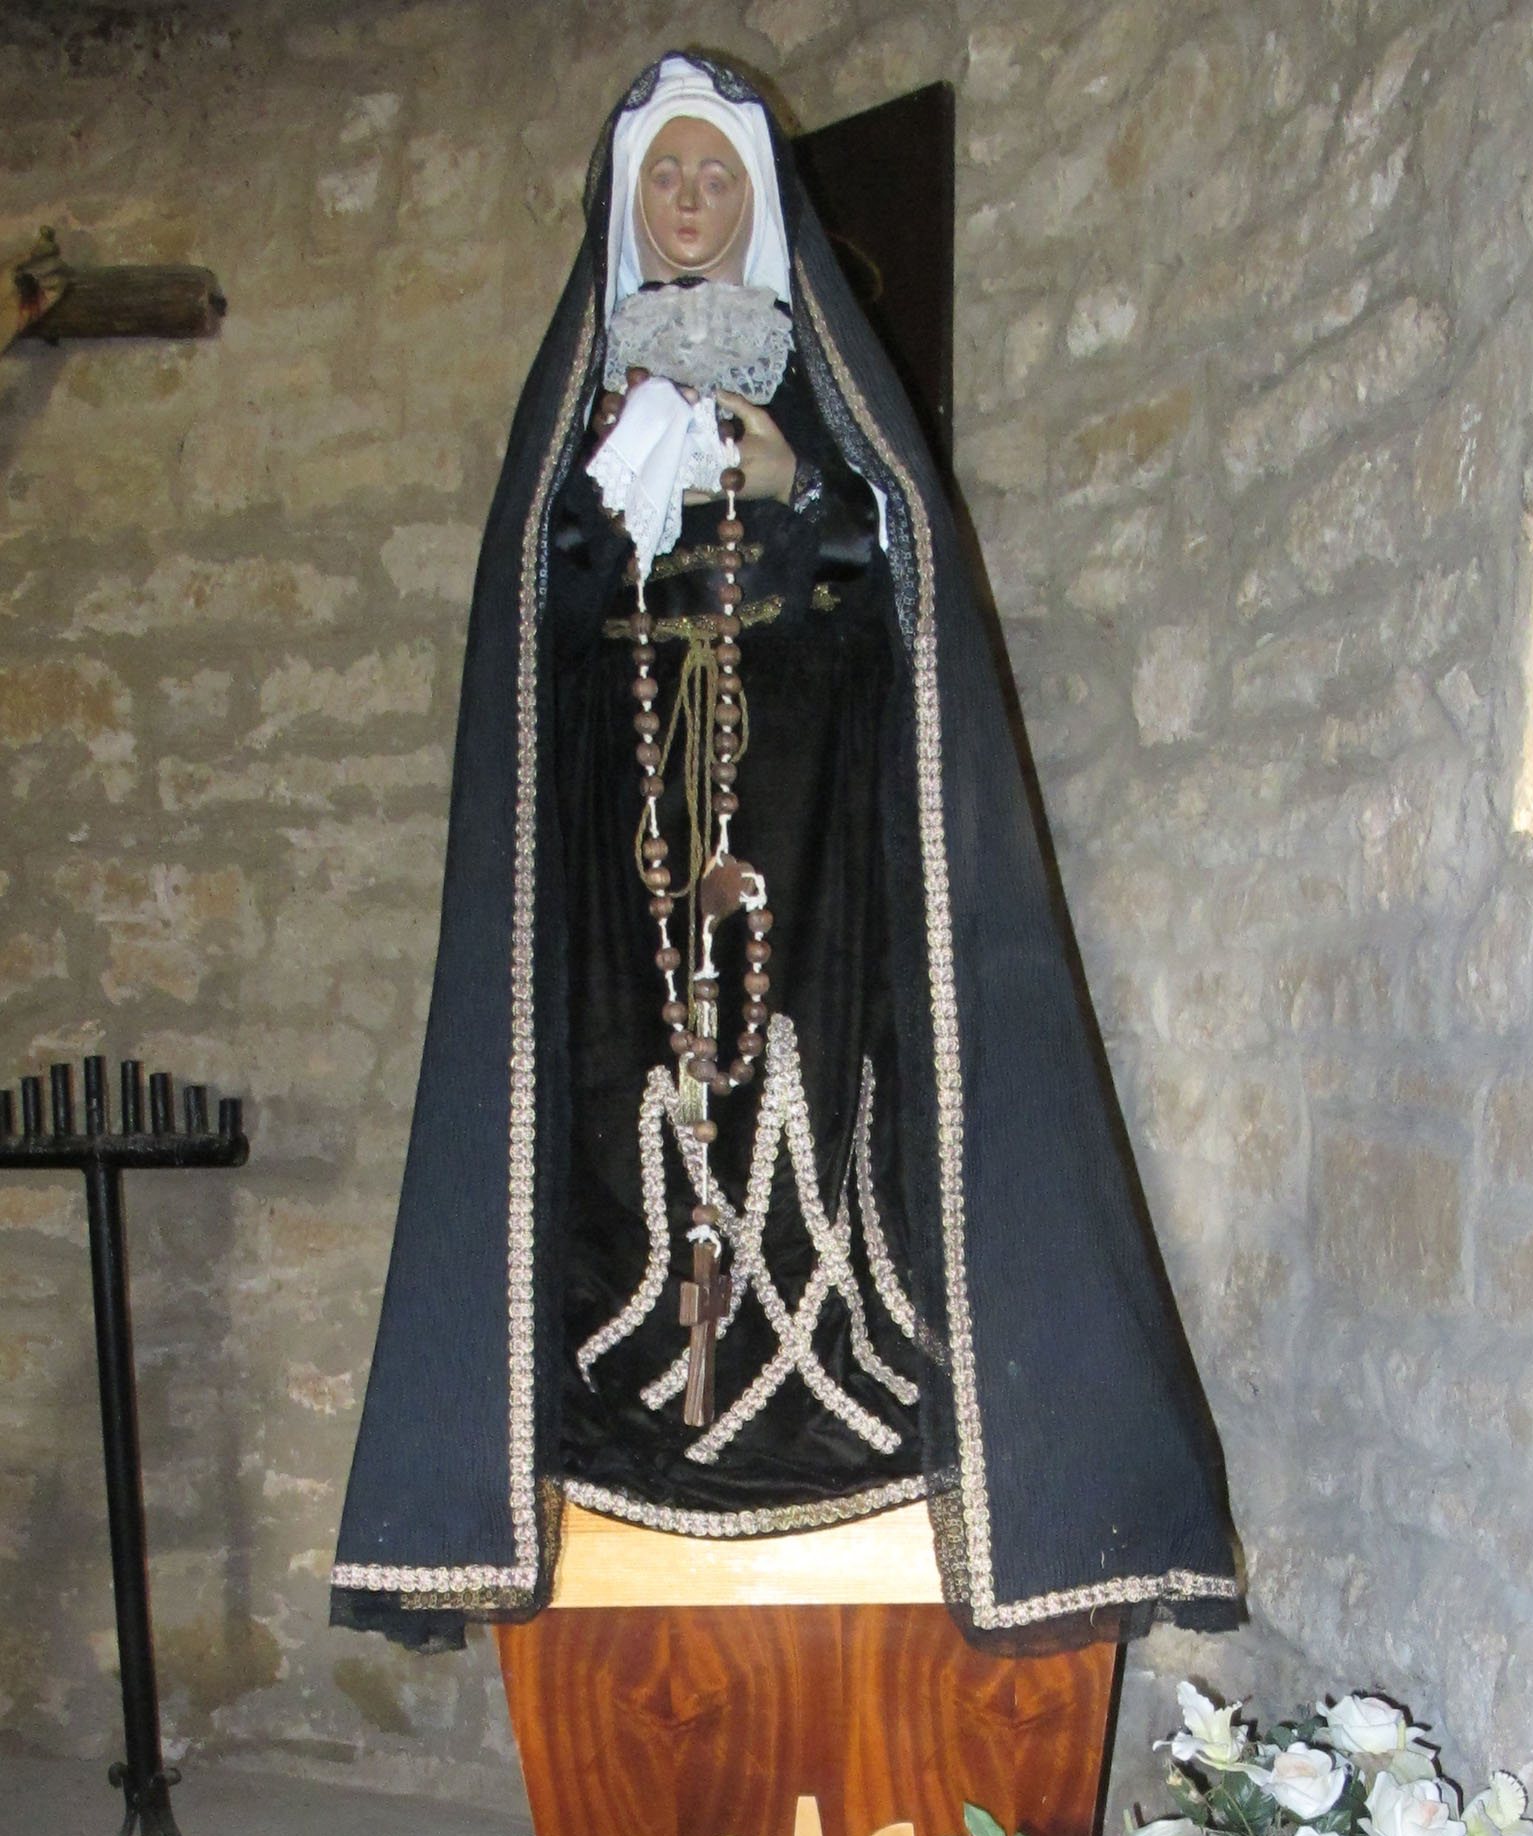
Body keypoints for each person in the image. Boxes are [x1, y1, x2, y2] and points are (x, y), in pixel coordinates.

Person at [332, 52, 1241, 1650]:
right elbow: (534, 641)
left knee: (812, 1072)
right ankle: (629, 1402)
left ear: (753, 203)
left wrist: (796, 486)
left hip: (811, 827)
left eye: (715, 177)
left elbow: (901, 594)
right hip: (622, 847)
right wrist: (608, 516)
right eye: (666, 177)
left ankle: (836, 1389)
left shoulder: (822, 397)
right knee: (630, 1093)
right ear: (630, 205)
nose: (690, 200)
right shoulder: (576, 412)